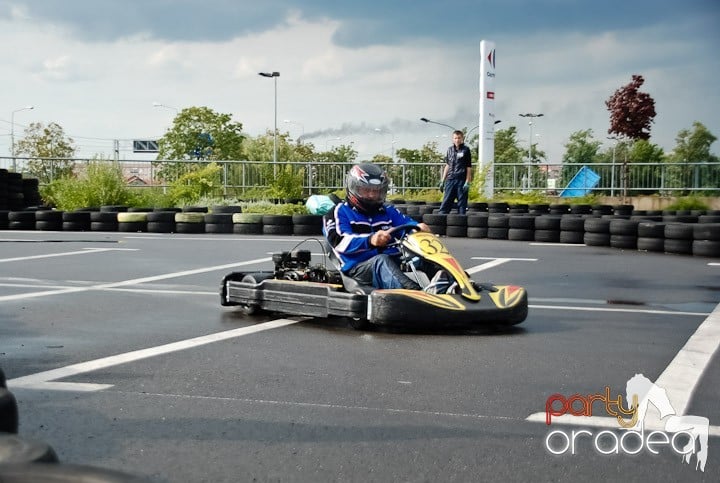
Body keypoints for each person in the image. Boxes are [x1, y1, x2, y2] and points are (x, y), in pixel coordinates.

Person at [323, 163, 431, 290]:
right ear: (354, 188)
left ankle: (448, 288)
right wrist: (370, 240)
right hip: (359, 268)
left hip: (393, 261)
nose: (372, 196)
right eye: (366, 190)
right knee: (381, 261)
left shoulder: (388, 211)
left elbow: (407, 224)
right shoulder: (339, 212)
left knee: (425, 256)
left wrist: (418, 228)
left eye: (376, 191)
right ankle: (417, 295)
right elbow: (340, 242)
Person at [438, 130, 472, 215]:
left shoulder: (466, 150)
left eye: (459, 138)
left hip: (461, 180)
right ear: (453, 139)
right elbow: (447, 165)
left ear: (462, 139)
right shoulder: (449, 150)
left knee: (461, 204)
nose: (457, 140)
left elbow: (468, 167)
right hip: (450, 180)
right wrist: (442, 180)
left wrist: (467, 181)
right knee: (446, 203)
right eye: (455, 138)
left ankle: (461, 221)